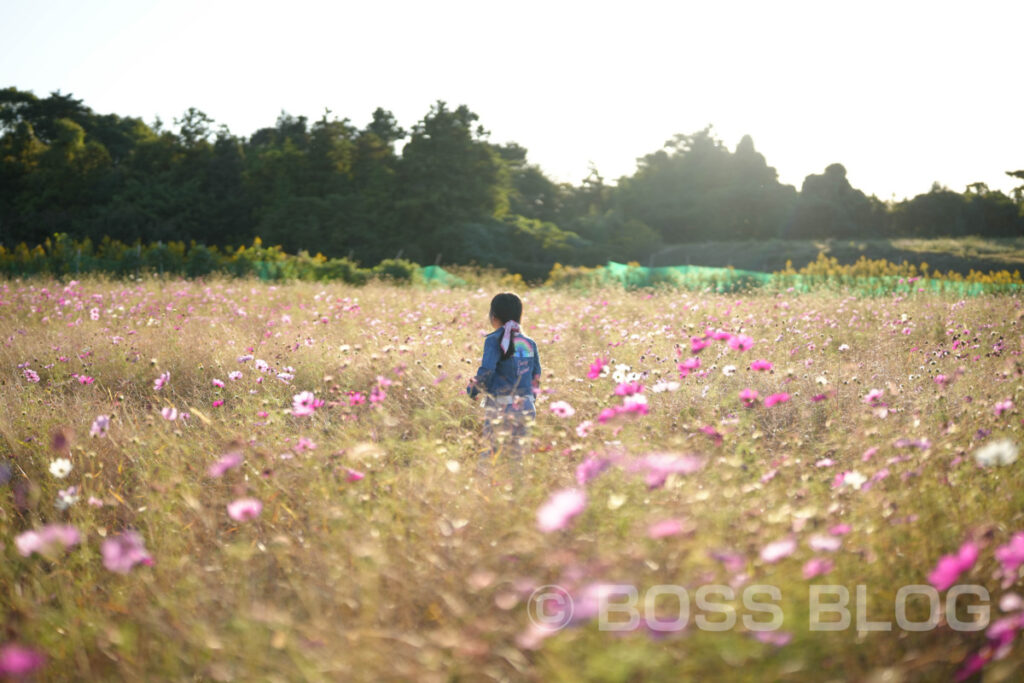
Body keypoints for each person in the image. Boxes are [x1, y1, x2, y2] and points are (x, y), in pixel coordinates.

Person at [467, 293, 541, 466]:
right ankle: (517, 490)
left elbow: (487, 370)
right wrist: (530, 400)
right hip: (527, 407)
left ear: (493, 317)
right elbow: (536, 374)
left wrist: (473, 390)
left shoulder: (494, 340)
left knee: (490, 455)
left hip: (501, 407)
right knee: (518, 459)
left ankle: (483, 488)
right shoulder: (529, 342)